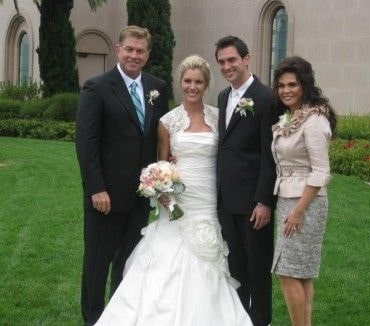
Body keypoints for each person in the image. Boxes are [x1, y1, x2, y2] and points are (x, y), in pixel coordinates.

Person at [94, 55, 253, 325]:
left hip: (208, 196)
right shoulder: (168, 121)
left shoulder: (217, 117)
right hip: (178, 197)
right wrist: (164, 193)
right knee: (169, 254)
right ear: (180, 83)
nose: (193, 87)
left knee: (209, 253)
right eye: (188, 81)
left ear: (206, 84)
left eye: (199, 82)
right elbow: (161, 163)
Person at [75, 26, 169, 325]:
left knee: (128, 262)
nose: (134, 55)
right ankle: (92, 318)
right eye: (129, 49)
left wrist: (165, 171)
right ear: (118, 49)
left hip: (140, 196)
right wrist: (96, 188)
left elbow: (161, 136)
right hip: (105, 196)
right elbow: (86, 143)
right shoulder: (97, 87)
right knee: (97, 263)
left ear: (148, 55)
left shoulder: (157, 88)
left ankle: (118, 316)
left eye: (140, 51)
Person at [270, 56, 337, 326]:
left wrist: (298, 211)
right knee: (300, 273)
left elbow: (321, 172)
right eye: (282, 85)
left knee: (287, 272)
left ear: (304, 85)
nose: (286, 90)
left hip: (305, 203)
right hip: (288, 198)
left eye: (293, 84)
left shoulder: (314, 120)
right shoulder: (293, 116)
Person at [215, 36, 276, 326]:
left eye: (232, 60)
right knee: (236, 266)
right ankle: (240, 319)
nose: (227, 66)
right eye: (222, 62)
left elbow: (270, 156)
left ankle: (261, 320)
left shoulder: (266, 99)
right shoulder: (223, 97)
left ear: (246, 59)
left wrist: (265, 200)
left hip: (254, 203)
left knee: (258, 268)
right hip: (227, 201)